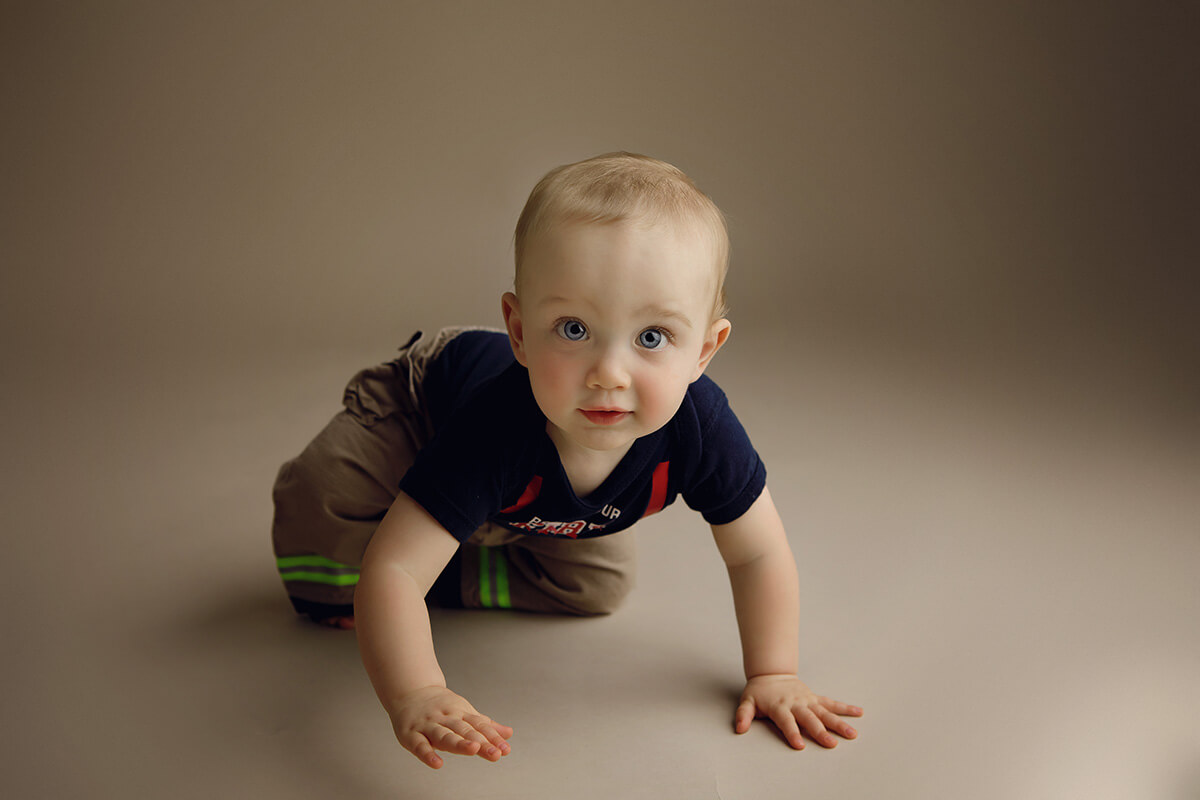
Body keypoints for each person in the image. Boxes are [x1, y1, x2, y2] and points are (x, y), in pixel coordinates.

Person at [270, 152, 863, 769]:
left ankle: (458, 540)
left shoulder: (702, 425)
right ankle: (443, 521)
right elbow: (391, 571)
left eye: (652, 337)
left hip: (521, 494)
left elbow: (757, 550)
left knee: (597, 585)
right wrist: (416, 691)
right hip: (422, 409)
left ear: (704, 352)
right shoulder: (493, 426)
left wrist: (774, 672)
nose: (608, 374)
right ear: (520, 333)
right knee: (328, 534)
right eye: (573, 329)